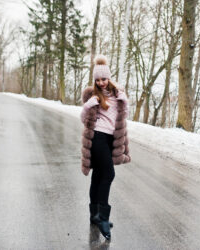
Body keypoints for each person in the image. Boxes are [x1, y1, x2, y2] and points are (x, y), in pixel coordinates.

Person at [80, 55, 131, 240]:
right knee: (109, 174)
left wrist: (124, 101)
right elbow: (83, 119)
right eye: (98, 80)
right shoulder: (93, 97)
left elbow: (123, 116)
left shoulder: (118, 94)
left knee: (99, 175)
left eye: (104, 78)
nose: (101, 82)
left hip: (111, 138)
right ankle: (102, 217)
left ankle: (94, 214)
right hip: (98, 137)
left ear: (109, 78)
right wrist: (88, 106)